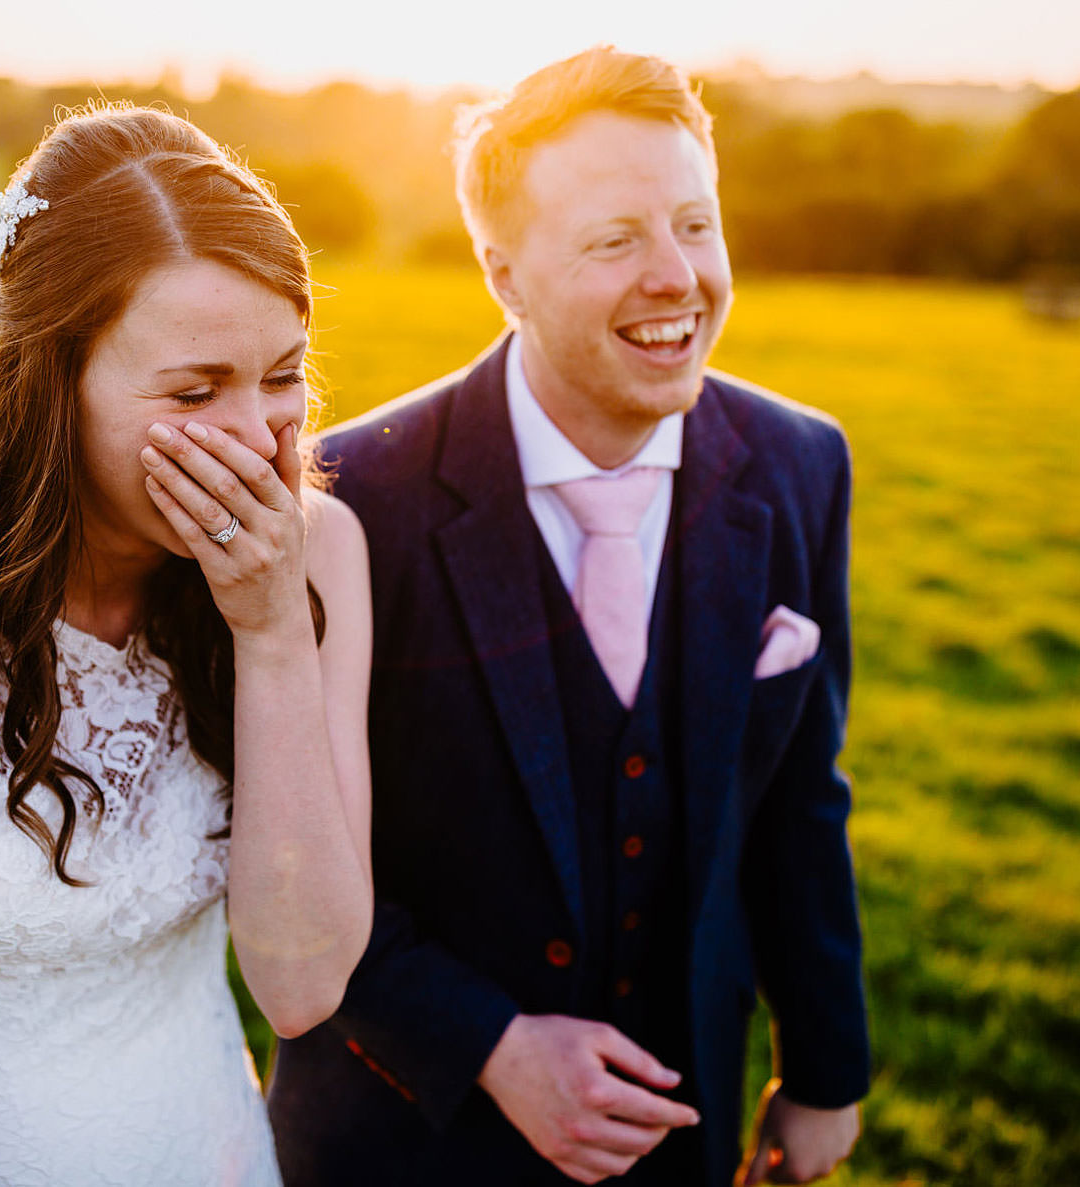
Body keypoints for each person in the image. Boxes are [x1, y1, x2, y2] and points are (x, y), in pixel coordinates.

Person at [268, 47, 868, 1186]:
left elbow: (800, 797)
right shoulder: (352, 502)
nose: (675, 277)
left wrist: (825, 1070)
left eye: (695, 224)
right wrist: (486, 1042)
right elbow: (289, 858)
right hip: (402, 1136)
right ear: (503, 274)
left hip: (676, 1125)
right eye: (613, 240)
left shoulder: (800, 464)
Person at [0, 104, 373, 1186]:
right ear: (51, 385)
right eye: (197, 391)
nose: (257, 438)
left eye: (283, 374)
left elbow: (304, 983)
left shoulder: (317, 550)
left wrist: (275, 635)